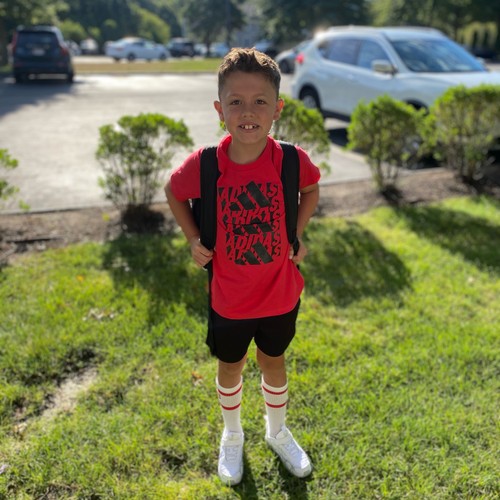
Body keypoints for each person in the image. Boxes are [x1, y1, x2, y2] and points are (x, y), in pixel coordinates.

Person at [165, 47, 320, 486]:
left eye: (259, 102)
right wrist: (193, 238)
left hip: (279, 293)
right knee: (230, 367)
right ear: (220, 110)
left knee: (274, 360)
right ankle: (232, 434)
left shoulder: (291, 160)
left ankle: (277, 430)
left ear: (277, 109)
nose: (248, 112)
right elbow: (174, 192)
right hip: (229, 298)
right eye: (236, 101)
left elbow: (311, 190)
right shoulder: (206, 164)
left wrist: (295, 233)